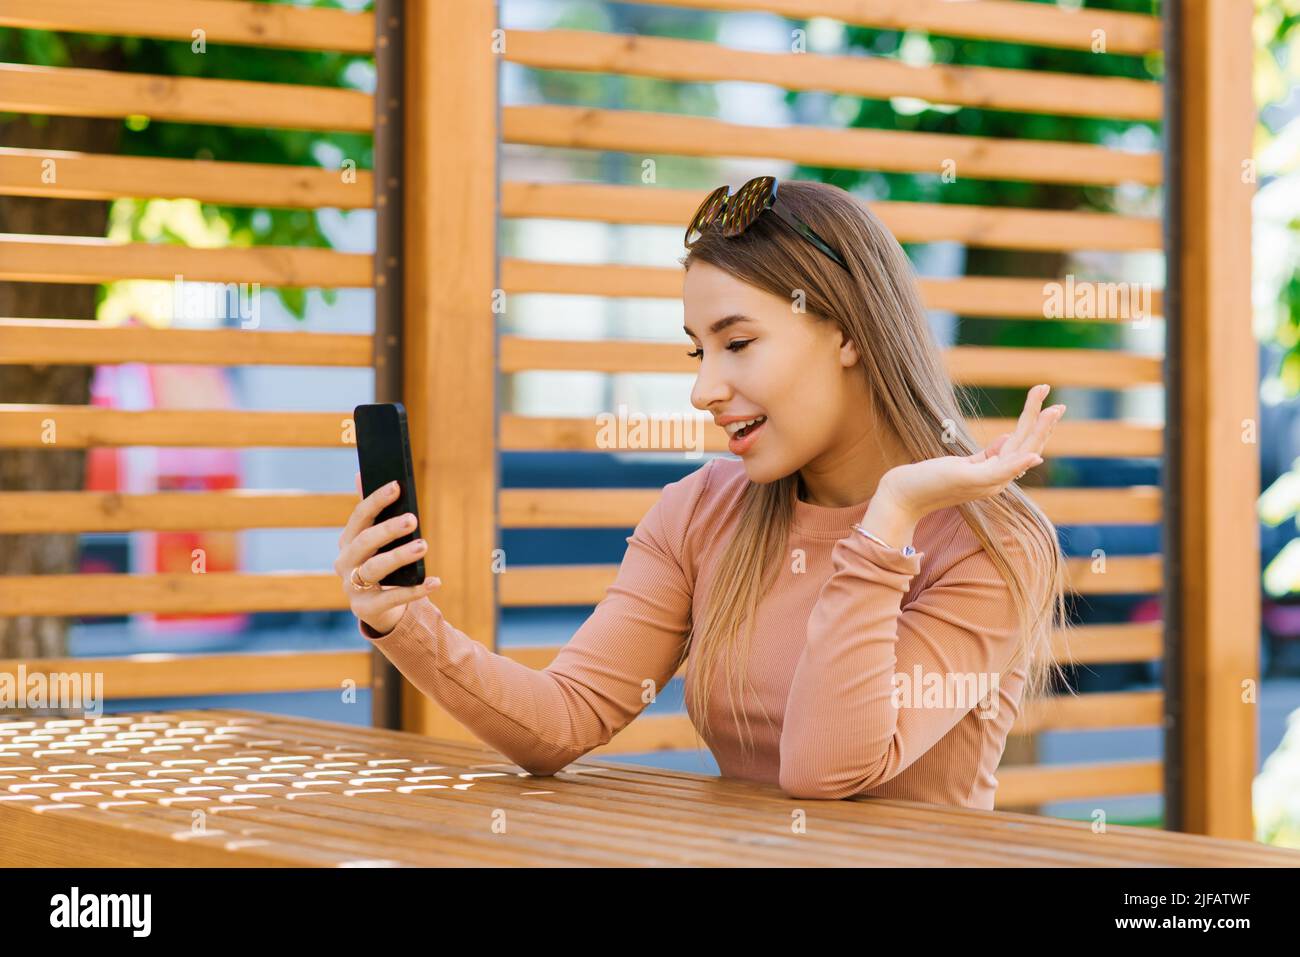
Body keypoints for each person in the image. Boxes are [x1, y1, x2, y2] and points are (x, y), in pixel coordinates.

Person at [335, 177, 1070, 808]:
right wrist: (403, 619)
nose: (702, 390)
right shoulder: (702, 510)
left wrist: (890, 519)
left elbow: (827, 769)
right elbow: (561, 721)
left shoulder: (991, 541)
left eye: (738, 342)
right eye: (698, 349)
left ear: (849, 333)